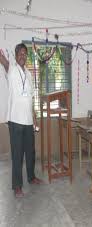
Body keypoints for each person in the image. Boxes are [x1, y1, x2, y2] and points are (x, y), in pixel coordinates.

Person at [0, 43, 42, 198]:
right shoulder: (11, 70)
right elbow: (3, 60)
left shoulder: (29, 75)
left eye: (25, 53)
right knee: (17, 155)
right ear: (16, 56)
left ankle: (31, 177)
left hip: (28, 120)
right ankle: (17, 186)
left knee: (30, 152)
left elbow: (31, 97)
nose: (23, 56)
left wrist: (35, 117)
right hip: (15, 120)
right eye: (20, 53)